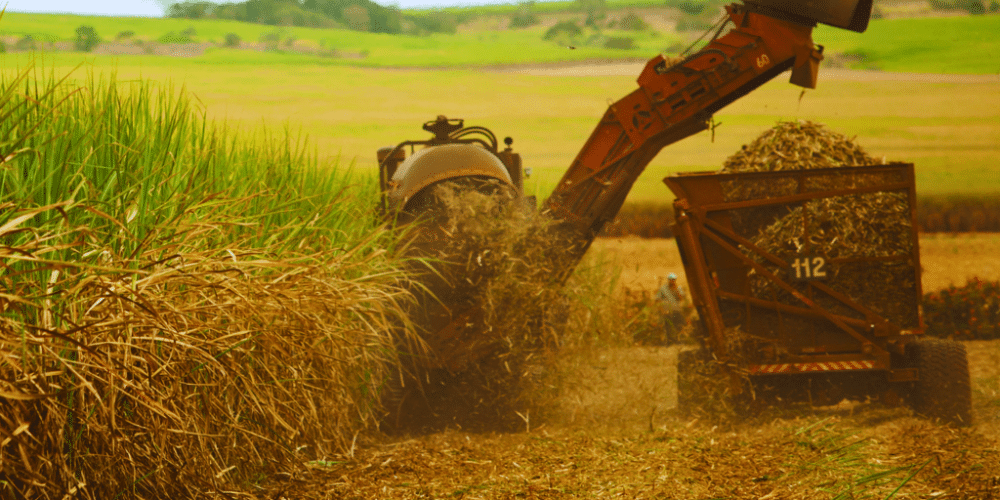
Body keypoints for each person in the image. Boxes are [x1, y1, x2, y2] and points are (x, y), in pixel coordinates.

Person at [655, 273, 686, 345]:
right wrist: (662, 309)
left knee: (678, 325)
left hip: (676, 310)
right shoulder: (663, 288)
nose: (672, 281)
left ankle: (676, 339)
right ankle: (669, 341)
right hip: (666, 310)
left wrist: (676, 289)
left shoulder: (678, 288)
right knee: (668, 326)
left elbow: (681, 299)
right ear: (668, 280)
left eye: (673, 280)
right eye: (671, 280)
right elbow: (657, 299)